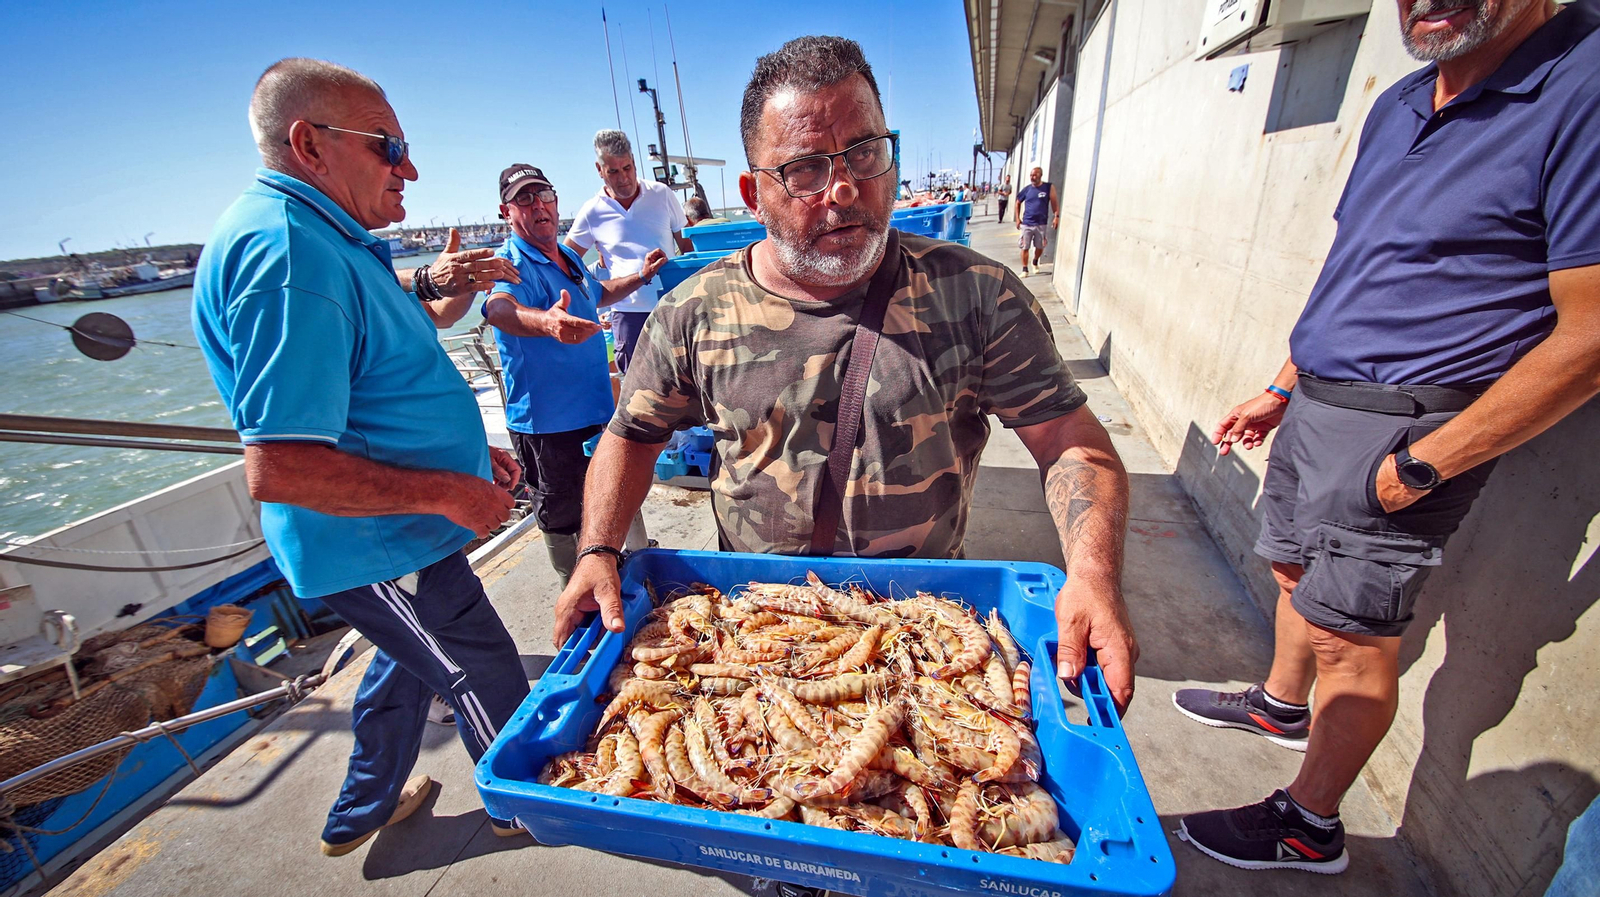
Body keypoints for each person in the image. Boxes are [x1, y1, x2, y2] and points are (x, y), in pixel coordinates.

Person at [553, 35, 1140, 715]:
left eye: (865, 152)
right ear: (753, 192)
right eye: (804, 169)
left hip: (923, 642)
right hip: (753, 641)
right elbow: (632, 434)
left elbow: (1071, 440)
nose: (844, 186)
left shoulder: (978, 295)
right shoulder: (693, 313)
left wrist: (1093, 572)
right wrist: (597, 548)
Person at [1178, 0, 1600, 874]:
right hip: (1319, 400)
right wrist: (1283, 385)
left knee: (1355, 636)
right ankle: (1278, 703)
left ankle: (1309, 821)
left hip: (1407, 426)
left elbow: (1590, 337)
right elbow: (1353, 264)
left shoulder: (1582, 84)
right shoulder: (1402, 100)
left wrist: (1423, 462)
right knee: (1294, 569)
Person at [191, 58, 532, 856]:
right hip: (376, 537)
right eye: (388, 145)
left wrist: (462, 448)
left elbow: (372, 384)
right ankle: (529, 804)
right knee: (479, 663)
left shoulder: (321, 236)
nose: (408, 167)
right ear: (309, 144)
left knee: (410, 658)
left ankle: (359, 810)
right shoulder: (289, 256)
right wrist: (452, 488)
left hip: (393, 525)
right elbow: (283, 466)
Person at [481, 164, 657, 584]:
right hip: (549, 427)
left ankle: (629, 577)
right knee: (563, 519)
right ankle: (576, 599)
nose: (538, 205)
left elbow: (599, 293)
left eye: (544, 195)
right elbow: (499, 309)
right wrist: (547, 323)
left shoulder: (570, 256)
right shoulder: (508, 262)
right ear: (506, 211)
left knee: (610, 498)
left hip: (596, 414)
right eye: (524, 198)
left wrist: (642, 276)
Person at [564, 130, 695, 373]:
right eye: (613, 171)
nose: (623, 177)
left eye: (627, 167)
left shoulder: (662, 194)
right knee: (638, 397)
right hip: (626, 316)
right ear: (599, 169)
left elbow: (689, 247)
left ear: (634, 162)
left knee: (686, 385)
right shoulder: (591, 211)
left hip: (673, 309)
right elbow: (564, 261)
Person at [1014, 166, 1058, 276]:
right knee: (1025, 247)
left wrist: (1056, 216)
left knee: (1040, 246)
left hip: (1041, 223)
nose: (1032, 177)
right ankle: (1025, 269)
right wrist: (1018, 218)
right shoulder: (1027, 189)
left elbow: (1054, 203)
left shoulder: (1048, 187)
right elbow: (1018, 202)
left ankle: (1035, 261)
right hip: (1027, 223)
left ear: (1040, 175)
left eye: (1035, 175)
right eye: (1031, 175)